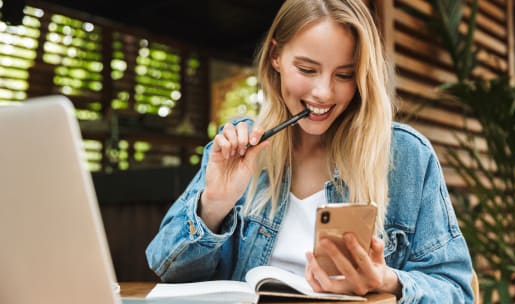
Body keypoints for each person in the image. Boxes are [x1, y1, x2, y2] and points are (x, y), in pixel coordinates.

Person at [146, 0, 474, 302]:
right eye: (306, 69)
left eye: (345, 75)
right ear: (276, 56)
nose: (323, 92)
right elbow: (167, 268)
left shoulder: (406, 156)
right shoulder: (238, 146)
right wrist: (214, 206)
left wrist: (385, 281)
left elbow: (457, 291)